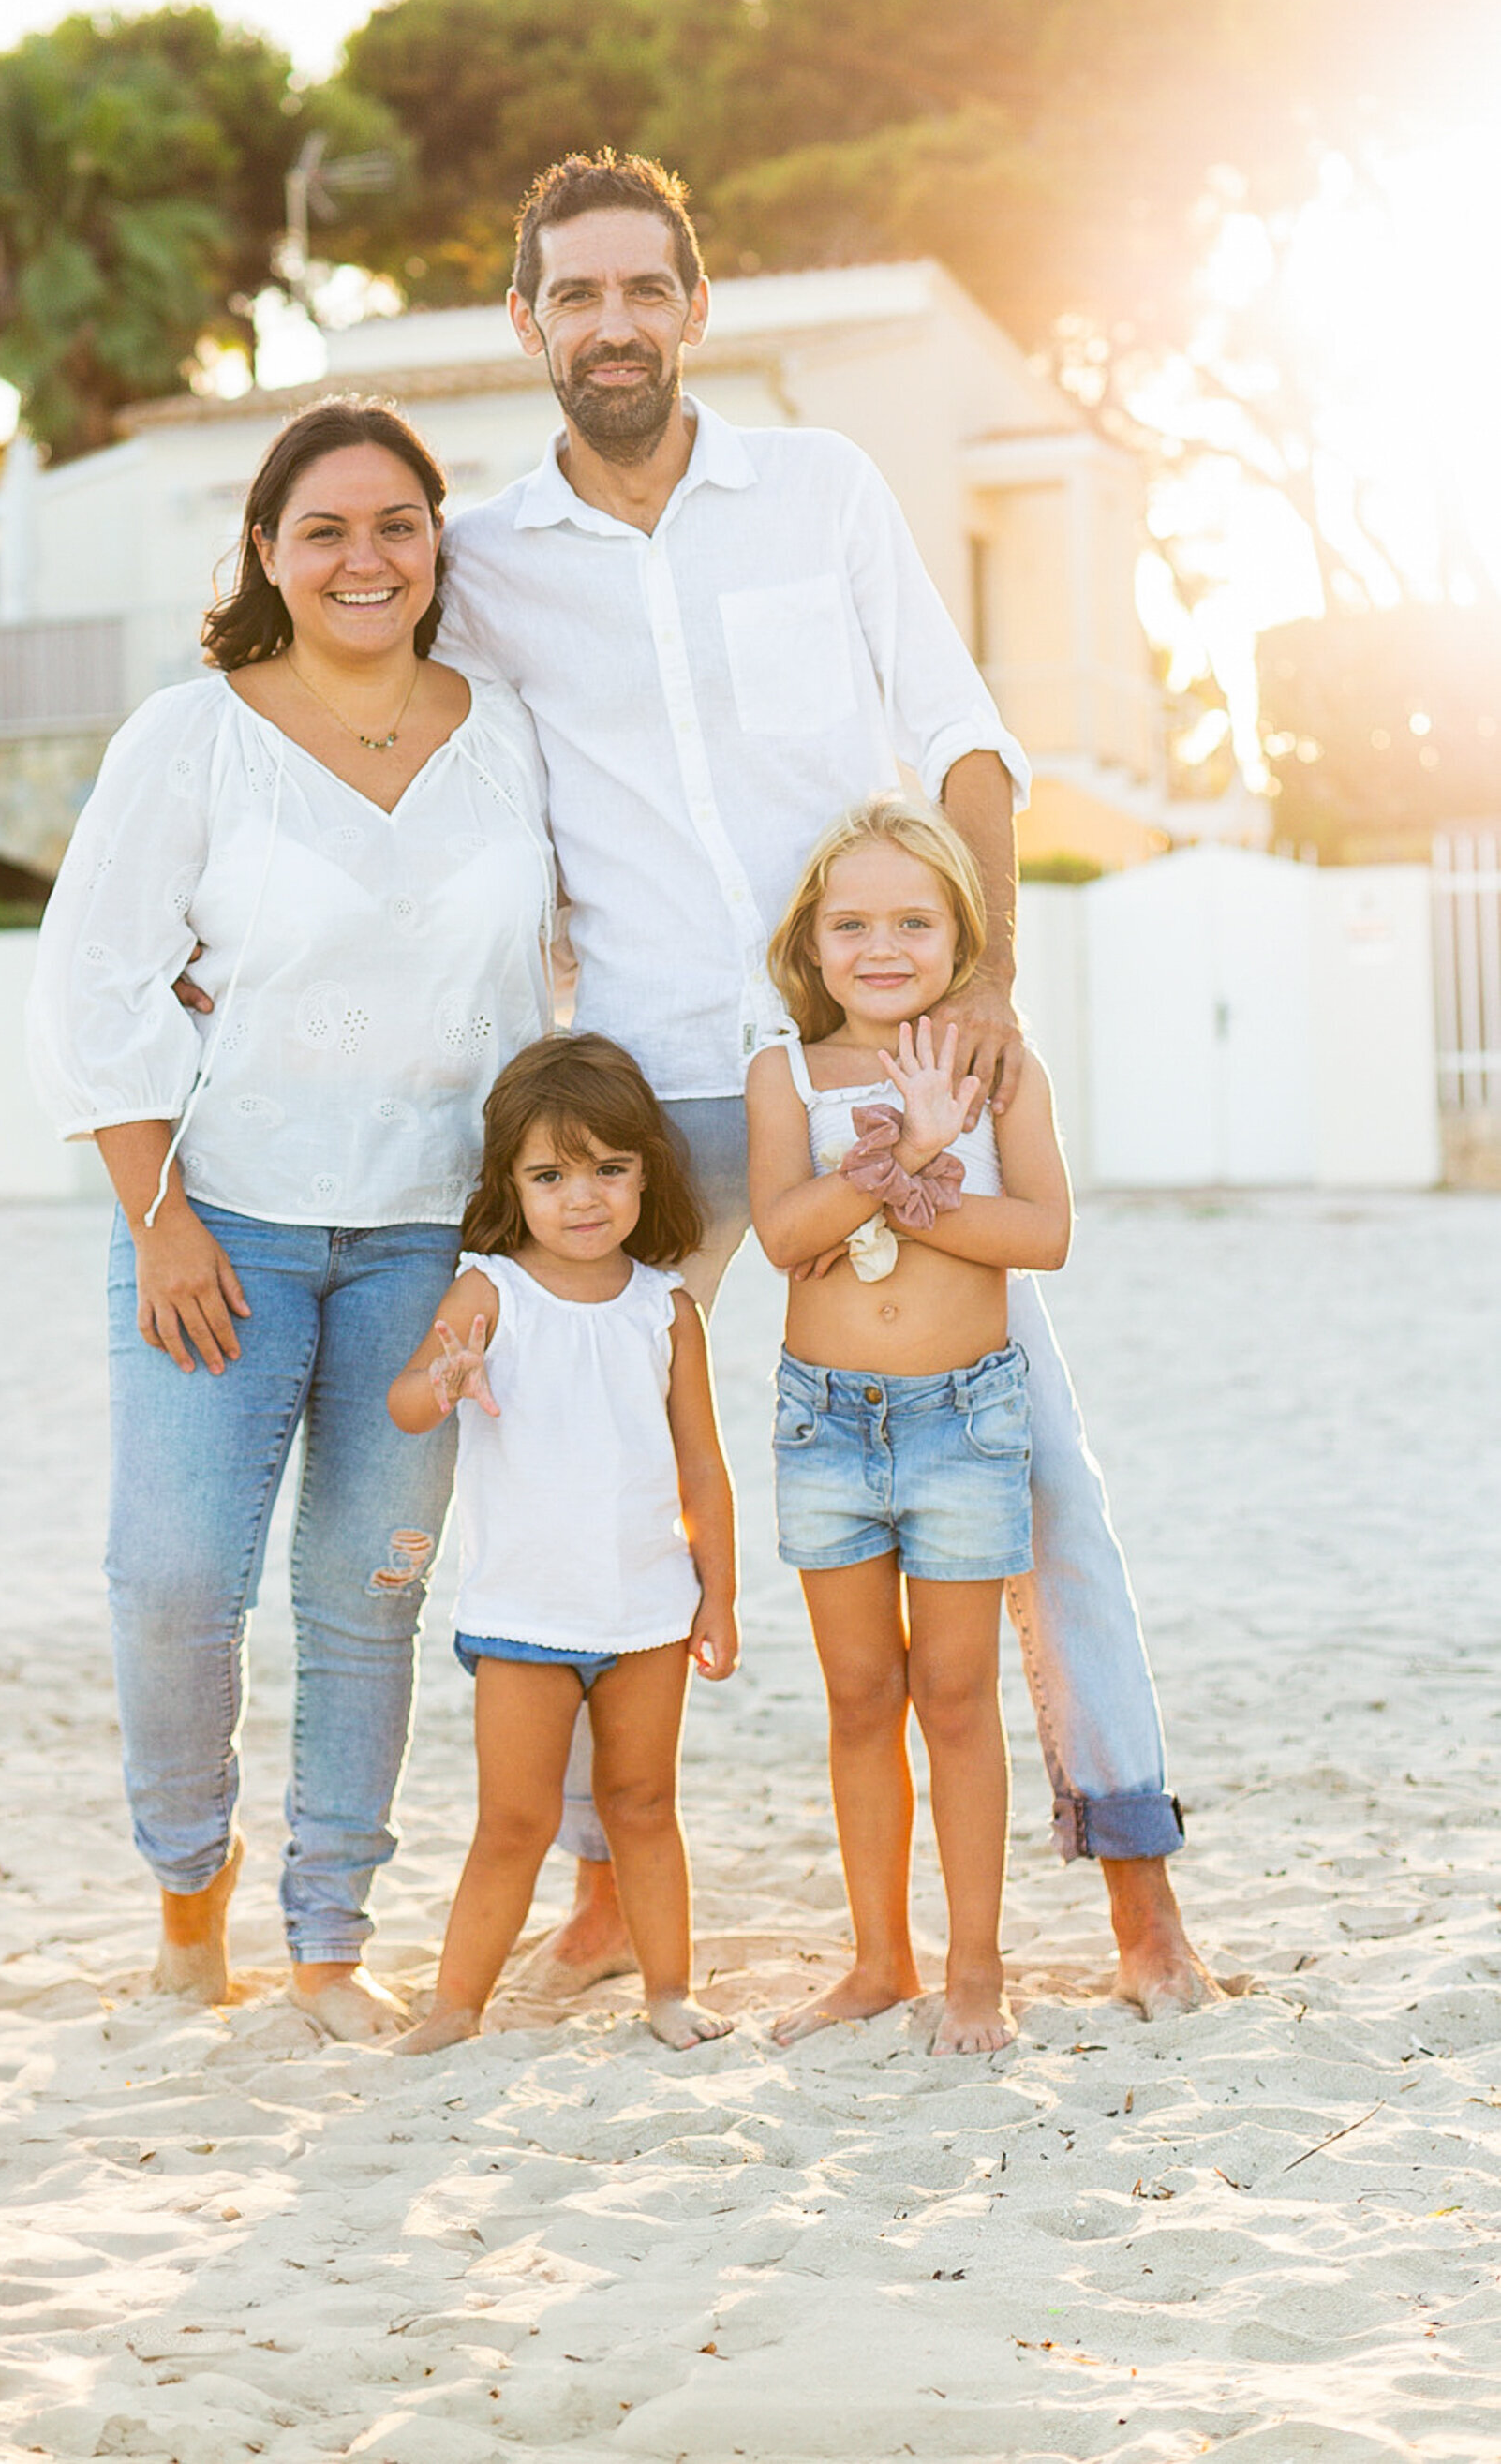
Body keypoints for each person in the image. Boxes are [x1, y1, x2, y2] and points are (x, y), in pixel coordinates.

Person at [438, 148, 1214, 2019]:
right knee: (590, 1463)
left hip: (870, 1072)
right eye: (575, 294)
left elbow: (959, 739)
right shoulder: (482, 562)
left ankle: (1135, 1895)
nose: (609, 323)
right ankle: (609, 1890)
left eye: (643, 289)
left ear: (693, 308)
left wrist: (982, 999)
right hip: (643, 1089)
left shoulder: (821, 491)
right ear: (526, 321)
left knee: (1037, 1477)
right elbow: (433, 789)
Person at [29, 398, 555, 2040]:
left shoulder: (508, 732)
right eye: (323, 529)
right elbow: (91, 979)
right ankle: (190, 1898)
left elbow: (551, 975)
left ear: (433, 544)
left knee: (370, 1587)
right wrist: (156, 1216)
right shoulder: (189, 737)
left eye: (395, 523)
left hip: (427, 1236)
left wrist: (522, 1242)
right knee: (177, 1575)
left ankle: (327, 1942)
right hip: (222, 1226)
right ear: (266, 550)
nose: (362, 557)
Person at [750, 799, 1074, 2055]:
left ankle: (974, 1971)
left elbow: (1042, 1233)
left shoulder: (999, 1070)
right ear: (812, 940)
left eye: (913, 921)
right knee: (856, 1696)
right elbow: (785, 1237)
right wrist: (890, 1166)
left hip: (962, 1421)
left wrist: (920, 1163)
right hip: (824, 1424)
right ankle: (879, 1959)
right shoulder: (784, 1070)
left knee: (953, 1695)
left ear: (960, 935)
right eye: (851, 923)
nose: (881, 946)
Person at [384, 1034, 738, 2054]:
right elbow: (409, 1403)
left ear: (644, 1170)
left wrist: (716, 1593)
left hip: (646, 1611)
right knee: (513, 1819)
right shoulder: (489, 1289)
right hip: (522, 1612)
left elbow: (700, 1466)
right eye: (549, 1173)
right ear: (511, 1181)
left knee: (642, 1801)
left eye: (607, 1168)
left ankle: (667, 1988)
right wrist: (444, 1379)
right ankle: (455, 2005)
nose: (580, 1196)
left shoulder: (662, 1307)